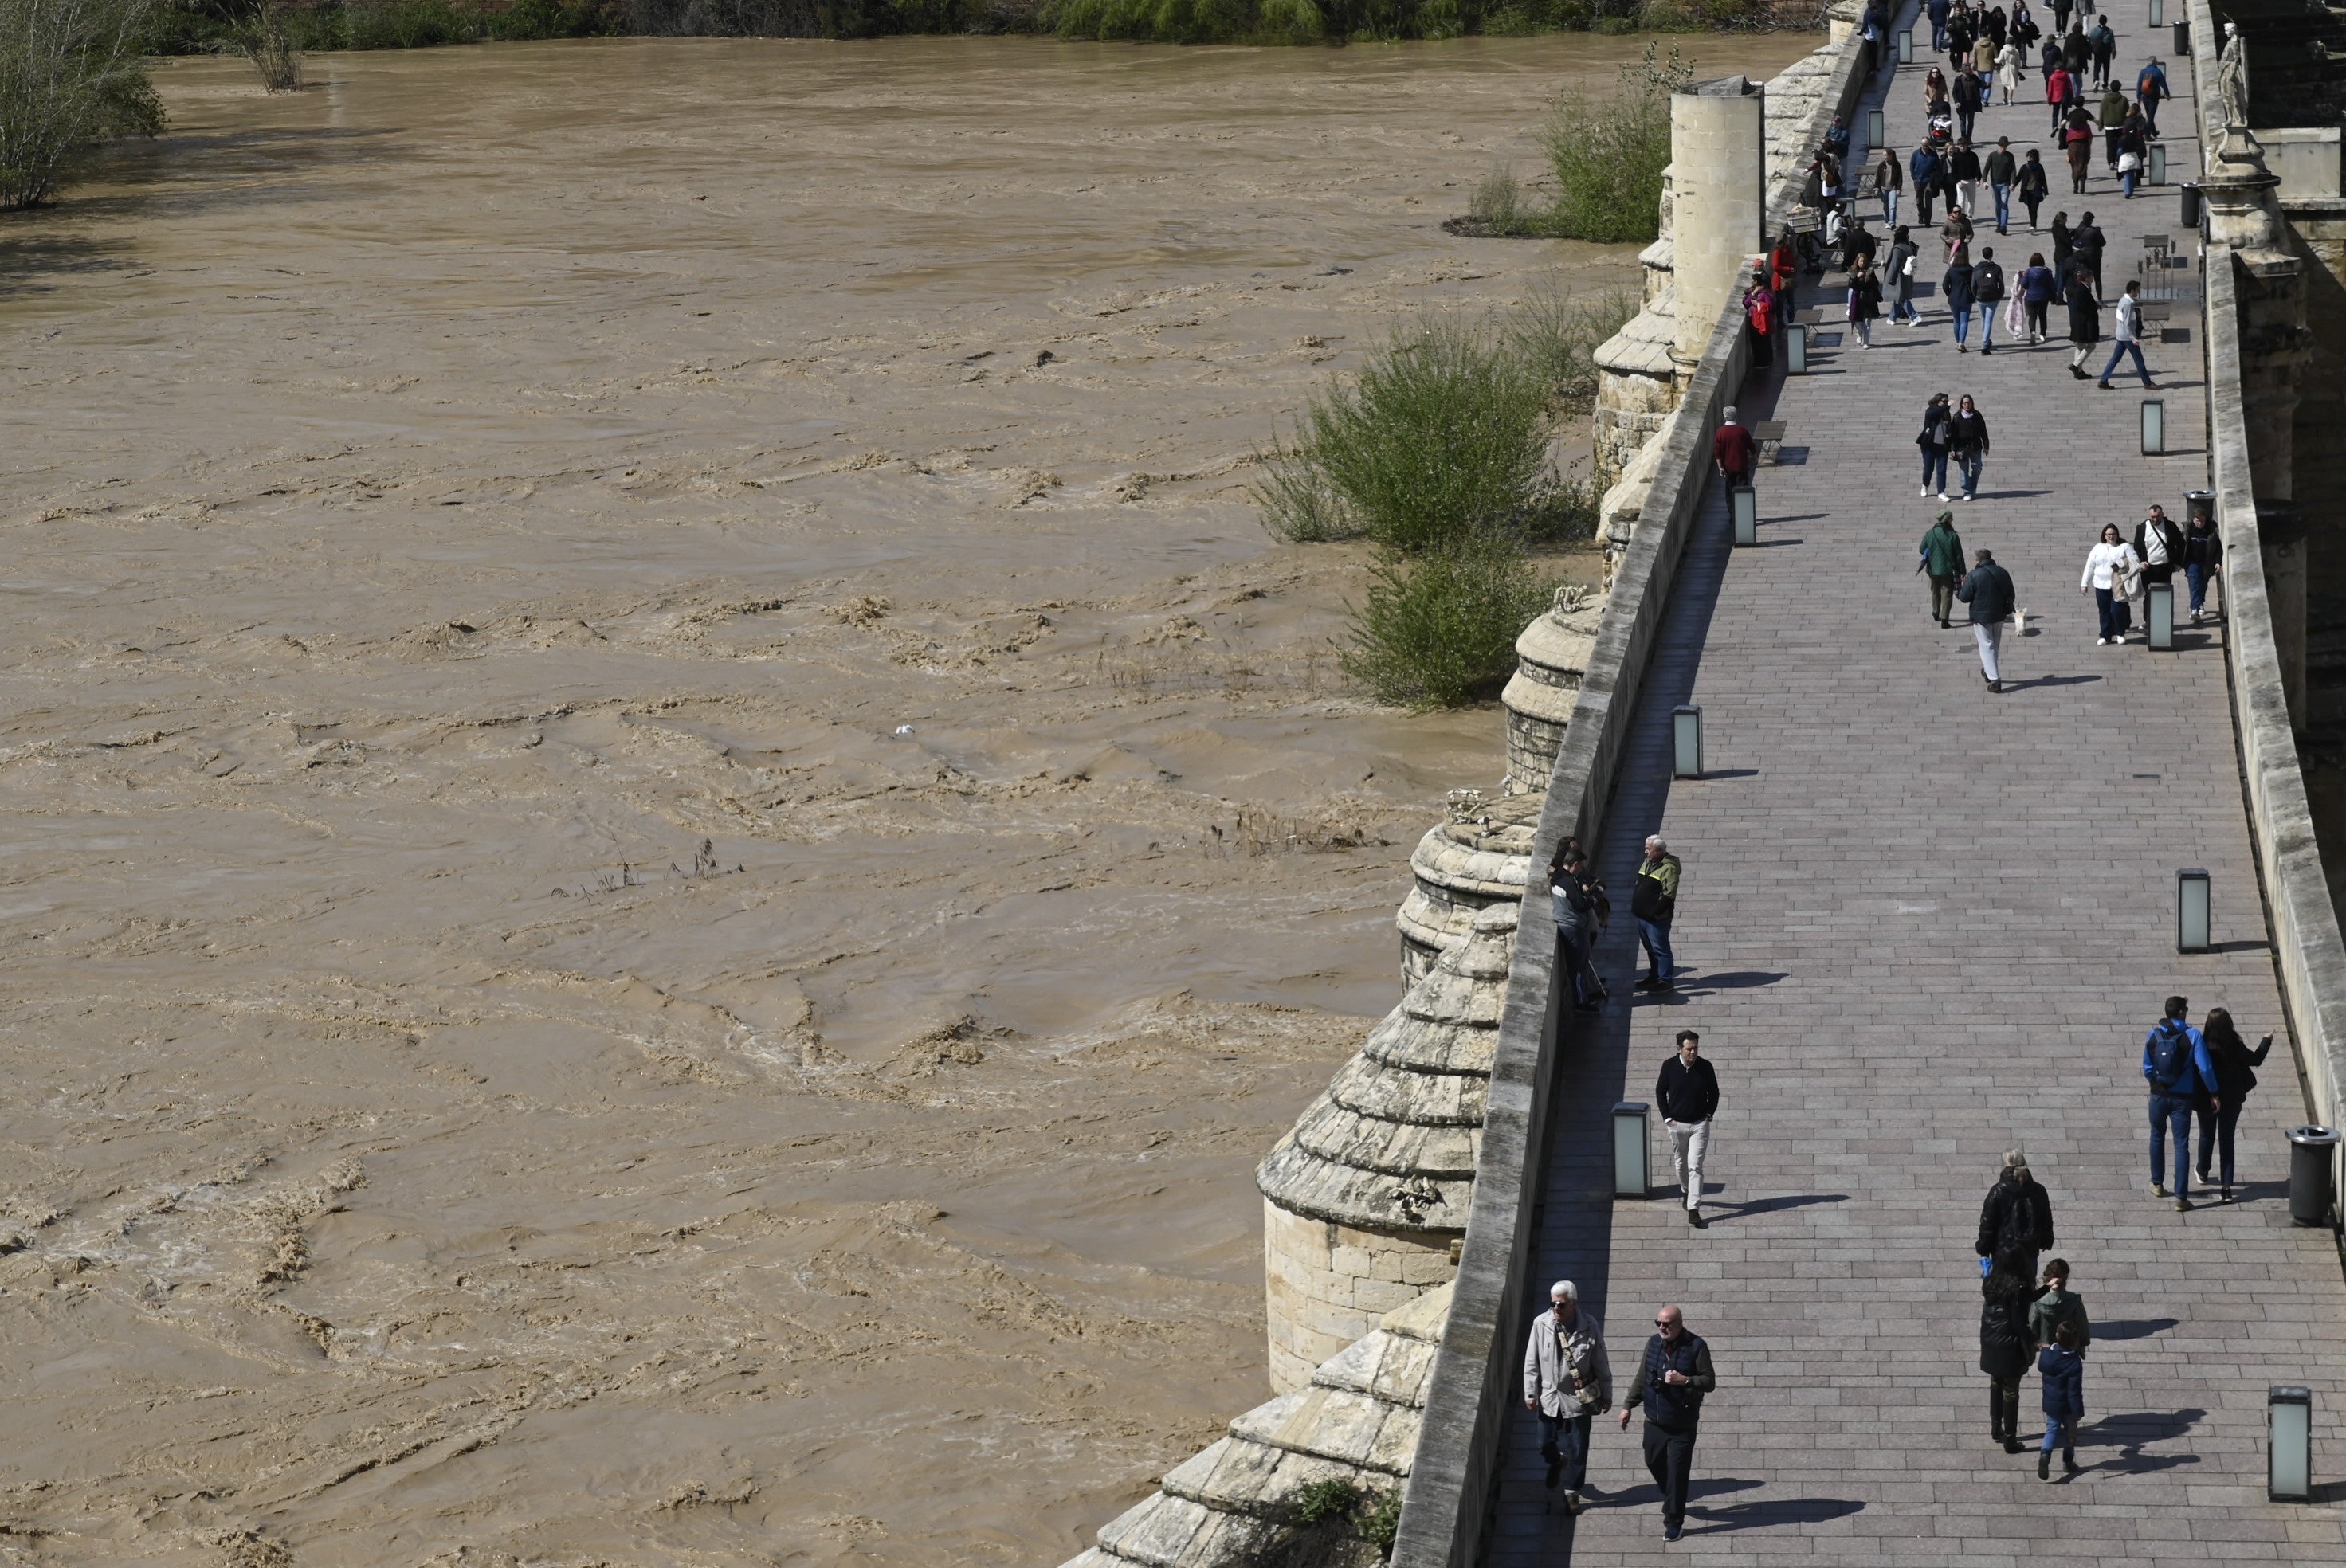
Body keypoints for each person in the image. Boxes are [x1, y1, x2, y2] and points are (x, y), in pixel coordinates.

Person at [1618, 1303, 1714, 1542]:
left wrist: (1686, 1380)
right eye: (1659, 1323)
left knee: (1678, 1474)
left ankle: (1674, 1521)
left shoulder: (1696, 1347)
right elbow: (1642, 1377)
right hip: (1654, 1420)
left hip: (1682, 1424)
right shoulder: (1653, 1344)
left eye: (1667, 1324)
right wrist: (1628, 1406)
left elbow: (1709, 1381)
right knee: (1652, 1461)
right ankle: (1671, 1497)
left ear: (1679, 1324)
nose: (1662, 1327)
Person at [1524, 1279, 1610, 1509]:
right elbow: (1531, 1361)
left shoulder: (1589, 1326)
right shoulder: (1541, 1324)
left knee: (1579, 1448)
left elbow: (1601, 1362)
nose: (1556, 1309)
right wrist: (1530, 1392)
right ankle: (1556, 1460)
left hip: (1577, 1399)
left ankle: (1572, 1492)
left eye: (1561, 1305)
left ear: (1573, 1303)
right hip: (1550, 1396)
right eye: (1553, 1304)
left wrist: (1607, 1393)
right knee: (1544, 1442)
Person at [2144, 994, 2221, 1209]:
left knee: (2157, 1136)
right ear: (2181, 1013)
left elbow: (2147, 1068)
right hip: (2182, 1099)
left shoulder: (2154, 1034)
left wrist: (2157, 1083)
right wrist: (2214, 1092)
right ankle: (2180, 1198)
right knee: (2181, 1144)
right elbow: (2205, 1068)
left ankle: (2157, 1184)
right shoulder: (2193, 1035)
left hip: (2158, 1095)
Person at [2197, 1007, 2275, 1201]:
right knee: (2227, 1140)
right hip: (2232, 1100)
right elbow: (2255, 1060)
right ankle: (2226, 1188)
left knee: (2206, 1135)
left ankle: (2203, 1171)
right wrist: (2266, 1040)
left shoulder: (2202, 1044)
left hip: (2208, 1097)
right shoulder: (2234, 1043)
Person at [1980, 1258, 2045, 1454]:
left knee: (1995, 1381)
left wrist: (2045, 1289)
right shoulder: (2018, 1289)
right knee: (2011, 1391)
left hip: (1991, 1341)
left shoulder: (1991, 1283)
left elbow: (2031, 1297)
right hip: (2009, 1347)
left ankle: (1995, 1426)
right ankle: (2010, 1439)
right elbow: (2019, 1324)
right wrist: (2035, 1340)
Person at [1656, 1030, 1718, 1226]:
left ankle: (1693, 1209)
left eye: (1695, 1048)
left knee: (1695, 1166)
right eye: (1689, 1049)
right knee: (1681, 1164)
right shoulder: (1669, 1066)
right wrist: (1667, 1118)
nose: (1693, 1052)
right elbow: (1660, 1091)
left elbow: (1714, 1092)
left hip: (1699, 1124)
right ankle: (1685, 1190)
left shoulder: (1706, 1067)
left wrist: (1709, 1114)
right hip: (1677, 1125)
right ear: (1679, 1049)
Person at [1975, 1148, 2057, 1285]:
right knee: (2028, 1286)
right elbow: (2046, 1220)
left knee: (2003, 1288)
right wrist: (2046, 1241)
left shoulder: (1998, 1191)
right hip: (2029, 1249)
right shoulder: (2039, 1190)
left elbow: (1987, 1225)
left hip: (2004, 1250)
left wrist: (1984, 1250)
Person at [1549, 846, 1606, 1014]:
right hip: (1573, 927)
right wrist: (1595, 897)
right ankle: (1581, 1003)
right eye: (1580, 866)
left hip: (1568, 925)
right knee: (1579, 967)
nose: (1581, 869)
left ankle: (1586, 994)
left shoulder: (1558, 877)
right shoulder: (1568, 882)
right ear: (1574, 864)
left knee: (1580, 964)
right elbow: (1581, 906)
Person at [1956, 546, 2016, 692]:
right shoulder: (2003, 572)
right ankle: (1989, 672)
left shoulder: (1974, 575)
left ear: (1978, 560)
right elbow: (2011, 594)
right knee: (1994, 644)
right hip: (2000, 614)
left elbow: (1964, 598)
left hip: (1981, 617)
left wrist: (1963, 586)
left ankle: (1995, 680)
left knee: (1986, 645)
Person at [1631, 835, 1681, 992]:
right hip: (1643, 917)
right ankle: (1654, 976)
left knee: (1661, 949)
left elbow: (1669, 895)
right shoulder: (1648, 862)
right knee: (1651, 949)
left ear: (1659, 851)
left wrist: (1655, 913)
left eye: (1649, 849)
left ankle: (1665, 981)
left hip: (1656, 919)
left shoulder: (1669, 868)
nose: (1646, 852)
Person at [2036, 1323, 2085, 1480]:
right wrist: (2078, 1412)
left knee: (2051, 1430)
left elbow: (2043, 1355)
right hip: (2068, 1407)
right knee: (2070, 1434)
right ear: (2075, 1342)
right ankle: (2068, 1462)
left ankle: (2045, 1455)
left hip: (2051, 1402)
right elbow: (2074, 1391)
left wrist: (2043, 1347)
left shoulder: (2046, 1354)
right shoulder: (2074, 1362)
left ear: (2057, 1336)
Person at [2080, 522, 2140, 645]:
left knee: (2117, 611)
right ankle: (2105, 636)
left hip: (2118, 585)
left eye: (2113, 534)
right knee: (2104, 611)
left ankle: (2120, 633)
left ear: (2117, 535)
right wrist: (2084, 584)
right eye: (2108, 534)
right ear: (2104, 535)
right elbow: (2090, 566)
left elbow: (2135, 560)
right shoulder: (2098, 548)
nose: (2110, 537)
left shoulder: (2124, 547)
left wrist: (2123, 564)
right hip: (2101, 585)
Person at [2028, 1257, 2092, 1356]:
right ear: (2065, 1279)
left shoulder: (2039, 1301)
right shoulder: (2074, 1300)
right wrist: (2084, 1342)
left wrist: (2035, 1344)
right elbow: (2082, 1324)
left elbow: (2033, 1326)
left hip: (2048, 1349)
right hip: (2070, 1348)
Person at [2097, 279, 2155, 388]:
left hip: (2120, 335)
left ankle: (2103, 380)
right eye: (2137, 290)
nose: (2138, 292)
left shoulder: (2122, 300)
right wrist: (2133, 338)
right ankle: (2147, 383)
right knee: (2139, 360)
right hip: (2127, 337)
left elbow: (2120, 318)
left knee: (2115, 359)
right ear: (2132, 291)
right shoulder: (2128, 304)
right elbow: (2127, 323)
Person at [1920, 507, 1967, 626]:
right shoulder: (1952, 536)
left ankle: (1936, 612)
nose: (1953, 520)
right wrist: (1962, 571)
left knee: (1935, 591)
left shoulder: (1930, 533)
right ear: (1947, 520)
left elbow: (1921, 549)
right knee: (1947, 593)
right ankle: (1945, 619)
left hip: (1932, 569)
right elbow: (1958, 556)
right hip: (1947, 570)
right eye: (1951, 519)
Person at [2182, 507, 2222, 623]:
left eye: (2202, 521)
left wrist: (2218, 562)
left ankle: (2200, 603)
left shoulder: (2211, 532)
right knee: (2194, 584)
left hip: (2207, 563)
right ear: (2193, 520)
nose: (2200, 523)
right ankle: (2194, 609)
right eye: (2197, 521)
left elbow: (2218, 549)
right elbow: (2181, 547)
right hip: (2192, 563)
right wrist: (2179, 562)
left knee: (2203, 586)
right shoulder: (2188, 531)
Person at [2134, 502, 2182, 596]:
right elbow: (2137, 546)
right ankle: (2148, 611)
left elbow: (2181, 544)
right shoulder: (2142, 528)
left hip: (2165, 568)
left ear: (2163, 515)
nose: (2155, 519)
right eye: (2153, 517)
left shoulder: (2170, 526)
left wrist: (2178, 563)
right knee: (2148, 596)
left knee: (2164, 594)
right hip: (2148, 568)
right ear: (2149, 516)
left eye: (2158, 517)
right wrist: (2142, 561)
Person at [1949, 393, 1989, 500]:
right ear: (1962, 405)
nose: (1967, 405)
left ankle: (1972, 487)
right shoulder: (1957, 416)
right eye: (1965, 403)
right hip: (1961, 448)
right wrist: (1952, 449)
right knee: (1964, 471)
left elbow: (1983, 431)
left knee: (1977, 468)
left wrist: (1986, 446)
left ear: (1972, 404)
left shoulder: (1977, 415)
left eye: (1969, 403)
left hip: (1975, 447)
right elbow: (1953, 434)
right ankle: (1967, 492)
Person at [2065, 264, 2100, 378]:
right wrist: (2093, 307)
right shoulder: (2081, 290)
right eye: (2091, 278)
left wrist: (2095, 305)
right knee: (2091, 346)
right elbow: (2082, 306)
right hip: (2083, 322)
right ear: (2087, 278)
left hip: (2077, 321)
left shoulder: (2082, 288)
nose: (2093, 280)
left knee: (2079, 346)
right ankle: (2075, 365)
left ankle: (2079, 372)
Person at [1918, 390, 1954, 499]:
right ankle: (1925, 485)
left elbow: (1950, 428)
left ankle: (1941, 492)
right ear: (1938, 401)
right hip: (1929, 445)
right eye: (1944, 401)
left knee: (1942, 469)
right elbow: (1933, 414)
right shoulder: (1930, 411)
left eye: (1947, 401)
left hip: (1942, 445)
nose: (1946, 403)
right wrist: (1947, 406)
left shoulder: (1946, 413)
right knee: (1929, 468)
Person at [1714, 406, 1756, 490]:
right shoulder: (1742, 430)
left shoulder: (1720, 432)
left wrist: (1720, 467)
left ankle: (1731, 503)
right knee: (1743, 490)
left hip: (1728, 466)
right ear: (1736, 416)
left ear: (1725, 416)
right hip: (1742, 466)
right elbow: (1751, 445)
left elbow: (1717, 452)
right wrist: (1755, 457)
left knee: (1730, 490)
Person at [1971, 247, 2005, 354]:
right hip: (1993, 298)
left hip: (1981, 297)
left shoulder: (1976, 268)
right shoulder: (1997, 268)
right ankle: (1985, 345)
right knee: (1988, 321)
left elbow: (1973, 285)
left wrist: (1975, 295)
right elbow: (2001, 284)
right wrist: (1999, 295)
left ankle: (1986, 340)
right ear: (1992, 255)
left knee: (1983, 319)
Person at [2018, 250, 2056, 341]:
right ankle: (2043, 334)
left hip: (2030, 297)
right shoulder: (2047, 271)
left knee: (2032, 316)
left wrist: (2022, 277)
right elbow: (2052, 285)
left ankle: (2033, 332)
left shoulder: (2029, 271)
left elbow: (2024, 285)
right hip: (2043, 297)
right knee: (2043, 316)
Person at [1743, 267, 1776, 368]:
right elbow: (1746, 303)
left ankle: (1764, 362)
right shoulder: (1754, 291)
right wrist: (1753, 293)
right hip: (1754, 320)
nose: (1751, 282)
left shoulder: (1765, 293)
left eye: (1753, 280)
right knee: (1757, 342)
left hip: (1761, 321)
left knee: (1762, 342)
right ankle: (1761, 361)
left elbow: (1770, 306)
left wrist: (1757, 304)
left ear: (1756, 281)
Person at [1944, 251, 1978, 351]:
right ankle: (1961, 343)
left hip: (1954, 299)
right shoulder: (1971, 270)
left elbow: (1945, 285)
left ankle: (1957, 341)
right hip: (1966, 298)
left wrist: (1950, 293)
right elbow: (1975, 284)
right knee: (1964, 322)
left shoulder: (1951, 271)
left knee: (1956, 321)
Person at [1887, 225, 1921, 323]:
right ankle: (1892, 318)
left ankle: (1914, 316)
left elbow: (1894, 264)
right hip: (1907, 274)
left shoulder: (1898, 249)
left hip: (1899, 276)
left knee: (1902, 297)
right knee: (1899, 297)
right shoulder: (1909, 246)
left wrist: (1890, 278)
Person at [1983, 137, 2018, 233]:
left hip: (2005, 185)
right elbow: (1986, 169)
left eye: (2006, 146)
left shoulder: (2010, 156)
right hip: (1995, 184)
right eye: (2003, 146)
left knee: (2004, 204)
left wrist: (2013, 183)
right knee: (1996, 206)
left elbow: (2013, 170)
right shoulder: (1992, 155)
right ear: (1999, 145)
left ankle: (2003, 226)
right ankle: (1998, 222)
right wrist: (1985, 181)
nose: (2004, 147)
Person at [1847, 259, 1883, 348]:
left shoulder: (1870, 271)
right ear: (1857, 262)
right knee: (1858, 323)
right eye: (1860, 261)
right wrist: (1857, 277)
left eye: (1863, 261)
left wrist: (1869, 279)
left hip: (1869, 300)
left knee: (1867, 323)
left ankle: (1866, 342)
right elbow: (1851, 286)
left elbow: (1876, 284)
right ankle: (1859, 333)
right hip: (1858, 301)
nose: (1862, 263)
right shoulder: (1853, 271)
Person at [2070, 211, 2105, 296]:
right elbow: (2103, 243)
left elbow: (2073, 242)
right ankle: (2100, 298)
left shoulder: (2077, 230)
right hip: (2095, 257)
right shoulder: (2095, 231)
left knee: (2085, 277)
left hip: (2083, 257)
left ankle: (2087, 295)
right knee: (2097, 279)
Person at [1912, 139, 1944, 228]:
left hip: (1929, 181)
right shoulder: (1916, 154)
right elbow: (1912, 165)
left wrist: (1935, 178)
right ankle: (1921, 215)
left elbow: (1938, 168)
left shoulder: (1933, 154)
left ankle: (1927, 221)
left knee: (1929, 201)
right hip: (1918, 180)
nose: (1925, 147)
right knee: (1919, 201)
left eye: (1927, 146)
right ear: (1921, 144)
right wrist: (1914, 177)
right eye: (1923, 145)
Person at [2063, 104, 2095, 193]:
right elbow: (2090, 138)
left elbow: (2067, 140)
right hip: (2084, 147)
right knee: (2083, 165)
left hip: (2073, 148)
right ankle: (2082, 185)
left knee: (2074, 165)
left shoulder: (2071, 129)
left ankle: (2075, 186)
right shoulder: (2086, 127)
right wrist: (2088, 147)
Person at [2098, 80, 2129, 170]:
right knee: (2120, 144)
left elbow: (2102, 112)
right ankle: (2118, 160)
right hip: (2121, 125)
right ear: (2119, 88)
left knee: (2110, 145)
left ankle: (2111, 162)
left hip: (2109, 126)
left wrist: (2101, 124)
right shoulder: (2124, 99)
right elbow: (2127, 113)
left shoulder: (2105, 99)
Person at [2017, 148, 2050, 230]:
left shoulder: (2039, 167)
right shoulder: (2024, 167)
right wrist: (2013, 185)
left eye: (2030, 156)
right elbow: (2019, 177)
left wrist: (2045, 191)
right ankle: (2033, 224)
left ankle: (2033, 225)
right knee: (2030, 209)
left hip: (2036, 191)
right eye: (2027, 155)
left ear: (2035, 157)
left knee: (2034, 209)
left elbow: (2043, 179)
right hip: (2026, 192)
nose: (2028, 157)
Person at [2137, 54, 2168, 136]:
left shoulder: (2143, 71)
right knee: (2150, 117)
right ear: (2155, 63)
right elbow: (2163, 84)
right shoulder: (2157, 71)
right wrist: (2167, 94)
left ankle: (2154, 132)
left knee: (2150, 115)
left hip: (2144, 97)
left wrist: (2138, 97)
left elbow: (2139, 85)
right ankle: (2147, 135)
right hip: (2153, 97)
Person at [1877, 143, 1904, 227]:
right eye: (1884, 156)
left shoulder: (1896, 165)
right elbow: (1878, 177)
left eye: (1886, 156)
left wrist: (1899, 189)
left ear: (1891, 156)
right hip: (1883, 189)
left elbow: (1900, 178)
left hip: (1893, 189)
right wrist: (1876, 188)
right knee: (1886, 206)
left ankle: (1892, 222)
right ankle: (1887, 221)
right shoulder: (1881, 165)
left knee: (1892, 206)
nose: (1885, 157)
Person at [2050, 211, 2073, 300]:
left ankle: (2053, 295)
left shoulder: (2056, 228)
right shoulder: (2061, 229)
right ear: (2062, 219)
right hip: (2063, 256)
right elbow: (2067, 241)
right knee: (2062, 278)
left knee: (2058, 276)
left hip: (2057, 254)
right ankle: (2059, 297)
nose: (2067, 220)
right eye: (2065, 218)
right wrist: (2073, 238)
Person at [2046, 61, 2073, 137]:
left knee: (2055, 114)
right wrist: (2071, 97)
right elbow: (2070, 87)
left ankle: (2055, 126)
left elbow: (2050, 90)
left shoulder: (2052, 77)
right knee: (2064, 114)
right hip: (2065, 97)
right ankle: (2063, 127)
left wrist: (2049, 100)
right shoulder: (2066, 75)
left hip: (2055, 98)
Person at [2089, 14, 2117, 89]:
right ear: (2106, 22)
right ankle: (2105, 84)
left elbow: (2091, 40)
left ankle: (2096, 80)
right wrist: (2114, 52)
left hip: (2098, 52)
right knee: (2106, 68)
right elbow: (2112, 42)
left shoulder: (2094, 30)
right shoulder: (2109, 31)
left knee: (2097, 68)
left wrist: (2091, 50)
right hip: (2107, 52)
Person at [1997, 37, 2024, 104]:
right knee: (2012, 85)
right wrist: (2018, 70)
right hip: (2013, 68)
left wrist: (1994, 60)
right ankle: (2010, 100)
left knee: (2006, 84)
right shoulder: (2016, 51)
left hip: (2004, 68)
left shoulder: (2003, 51)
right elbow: (2018, 62)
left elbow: (1999, 60)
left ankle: (2005, 98)